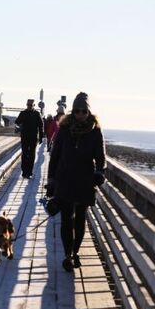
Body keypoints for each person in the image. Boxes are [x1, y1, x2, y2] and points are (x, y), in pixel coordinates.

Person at [47, 92, 106, 272]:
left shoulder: (95, 132)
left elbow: (101, 158)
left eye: (84, 111)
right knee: (66, 219)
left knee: (80, 219)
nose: (80, 114)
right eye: (77, 111)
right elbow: (55, 156)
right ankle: (67, 255)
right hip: (64, 180)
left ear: (88, 112)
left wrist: (98, 173)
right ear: (73, 111)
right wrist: (51, 181)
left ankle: (74, 253)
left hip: (84, 181)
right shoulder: (64, 129)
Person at [15, 99, 44, 178]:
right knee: (24, 154)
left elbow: (41, 126)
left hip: (33, 137)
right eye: (28, 105)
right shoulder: (23, 113)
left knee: (31, 155)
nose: (29, 106)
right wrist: (19, 122)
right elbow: (17, 122)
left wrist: (41, 137)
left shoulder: (37, 114)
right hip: (24, 137)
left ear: (34, 105)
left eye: (31, 105)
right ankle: (24, 172)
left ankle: (29, 172)